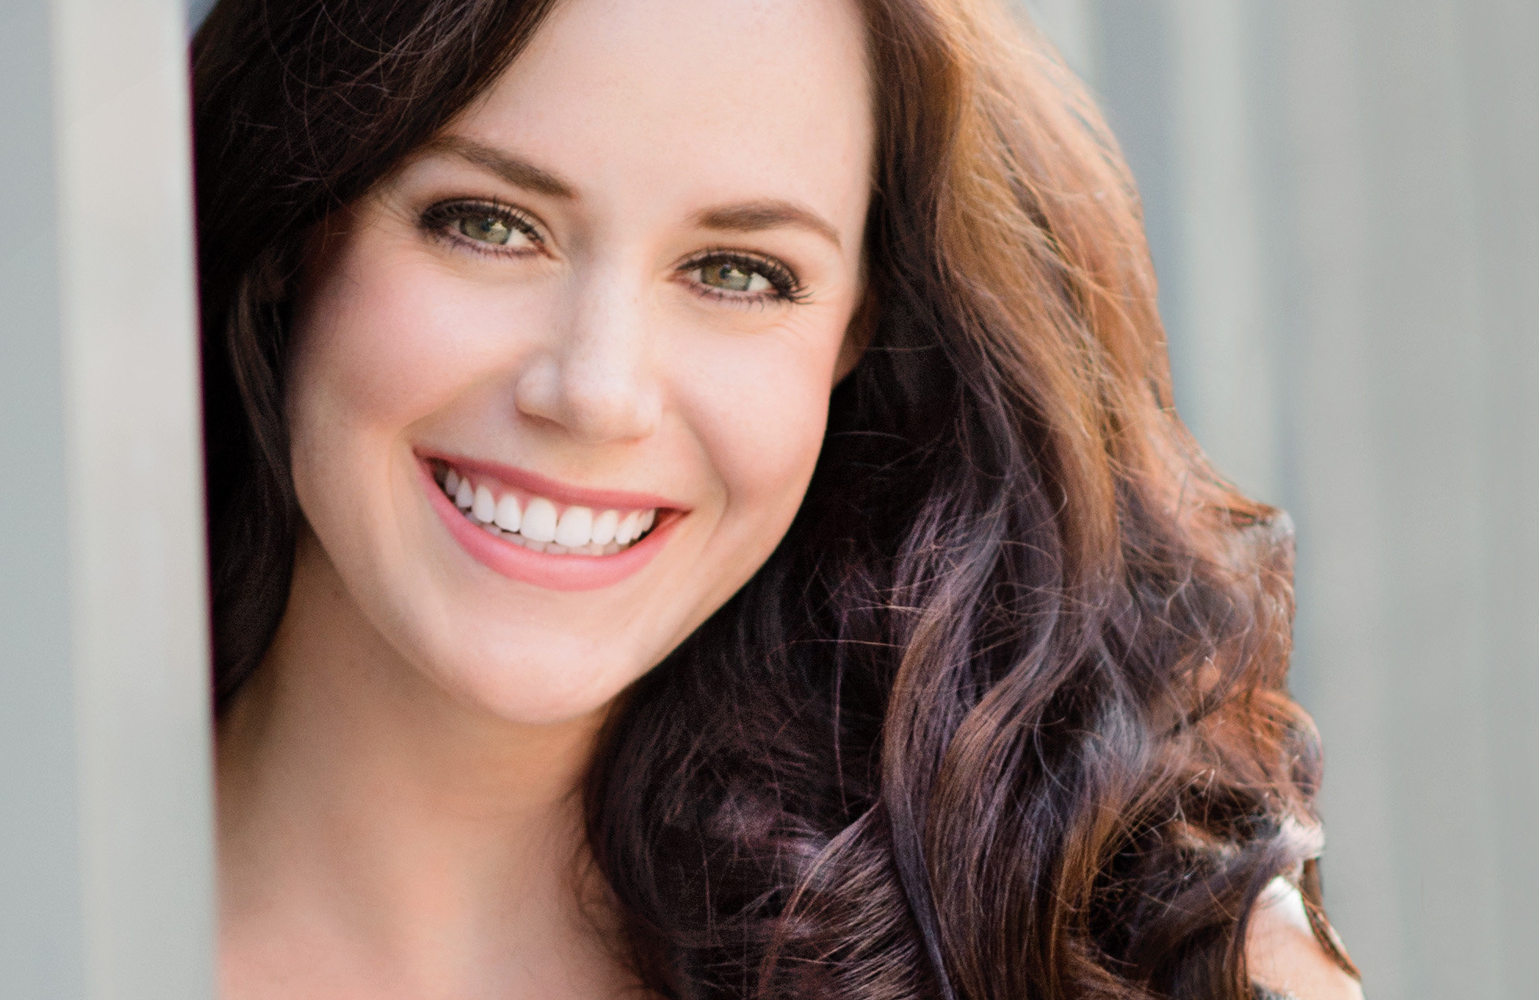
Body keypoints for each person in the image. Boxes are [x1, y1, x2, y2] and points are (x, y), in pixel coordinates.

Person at [191, 0, 1364, 997]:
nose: (596, 391)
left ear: (857, 330)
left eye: (738, 273)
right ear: (304, 221)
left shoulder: (1116, 952)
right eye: (489, 224)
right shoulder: (16, 903)